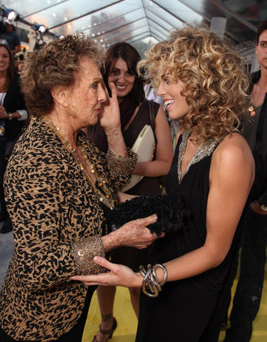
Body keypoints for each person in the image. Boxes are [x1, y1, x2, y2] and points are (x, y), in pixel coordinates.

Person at [71, 26, 255, 342]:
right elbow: (177, 205)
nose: (160, 89)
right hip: (163, 269)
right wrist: (121, 200)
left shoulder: (231, 153)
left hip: (195, 289)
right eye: (159, 80)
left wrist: (143, 278)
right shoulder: (185, 133)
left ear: (201, 82)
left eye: (169, 80)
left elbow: (214, 251)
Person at [0, 34, 158, 342]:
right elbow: (37, 268)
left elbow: (112, 182)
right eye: (95, 85)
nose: (104, 96)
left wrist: (112, 129)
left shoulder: (76, 141)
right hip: (40, 324)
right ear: (60, 94)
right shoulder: (36, 160)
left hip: (72, 307)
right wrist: (115, 240)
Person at [88, 42, 173, 341]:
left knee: (140, 278)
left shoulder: (152, 110)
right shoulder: (92, 110)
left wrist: (125, 164)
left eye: (129, 73)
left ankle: (146, 332)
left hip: (142, 203)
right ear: (104, 74)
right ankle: (107, 323)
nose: (122, 79)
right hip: (103, 205)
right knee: (104, 273)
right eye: (115, 72)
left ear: (138, 77)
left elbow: (165, 165)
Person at [224, 21, 267, 342]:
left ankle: (238, 333)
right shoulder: (244, 89)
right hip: (230, 193)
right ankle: (217, 321)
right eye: (265, 44)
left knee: (251, 270)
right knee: (222, 260)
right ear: (256, 48)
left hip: (259, 200)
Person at [0, 41, 27, 234]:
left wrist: (8, 115)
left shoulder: (18, 83)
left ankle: (11, 215)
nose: (1, 60)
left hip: (11, 136)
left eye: (4, 56)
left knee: (8, 177)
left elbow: (27, 112)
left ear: (10, 59)